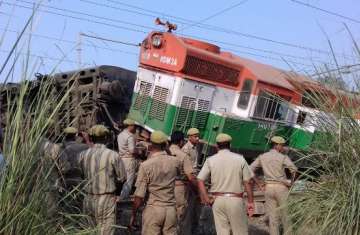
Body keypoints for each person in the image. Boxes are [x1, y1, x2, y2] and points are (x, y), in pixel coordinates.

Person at [131, 130, 194, 235]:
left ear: (151, 144)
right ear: (165, 144)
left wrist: (133, 214)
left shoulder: (146, 165)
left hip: (153, 209)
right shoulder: (175, 162)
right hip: (170, 211)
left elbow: (139, 195)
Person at [197, 133, 254, 235]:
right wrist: (250, 202)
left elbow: (200, 180)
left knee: (222, 232)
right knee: (240, 232)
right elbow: (248, 182)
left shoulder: (210, 160)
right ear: (230, 145)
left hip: (217, 200)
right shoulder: (240, 159)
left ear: (216, 145)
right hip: (235, 200)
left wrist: (206, 198)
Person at [78, 125, 126, 235]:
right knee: (106, 230)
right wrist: (117, 194)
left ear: (91, 138)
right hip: (107, 198)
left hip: (88, 198)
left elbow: (81, 175)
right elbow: (122, 178)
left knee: (89, 230)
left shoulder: (82, 155)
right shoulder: (113, 155)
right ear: (106, 138)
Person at [250, 136, 297, 235]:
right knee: (286, 216)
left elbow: (249, 170)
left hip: (268, 188)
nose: (283, 148)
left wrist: (258, 184)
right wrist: (291, 183)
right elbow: (294, 170)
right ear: (277, 145)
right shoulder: (283, 157)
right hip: (281, 188)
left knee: (272, 218)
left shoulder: (262, 156)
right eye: (282, 145)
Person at [169, 131, 197, 235]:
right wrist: (197, 191)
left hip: (164, 186)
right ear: (181, 142)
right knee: (178, 216)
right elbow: (190, 177)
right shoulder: (183, 156)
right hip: (179, 187)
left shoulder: (164, 153)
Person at [58, 126, 89, 212]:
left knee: (66, 205)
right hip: (79, 178)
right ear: (75, 135)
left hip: (65, 179)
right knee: (80, 205)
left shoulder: (60, 147)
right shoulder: (84, 147)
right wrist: (86, 139)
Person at [117, 118, 136, 199]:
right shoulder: (130, 136)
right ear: (130, 126)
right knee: (129, 180)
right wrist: (138, 151)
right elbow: (132, 151)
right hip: (129, 159)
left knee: (123, 178)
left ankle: (121, 195)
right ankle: (123, 197)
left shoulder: (120, 135)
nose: (134, 128)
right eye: (133, 126)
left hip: (121, 159)